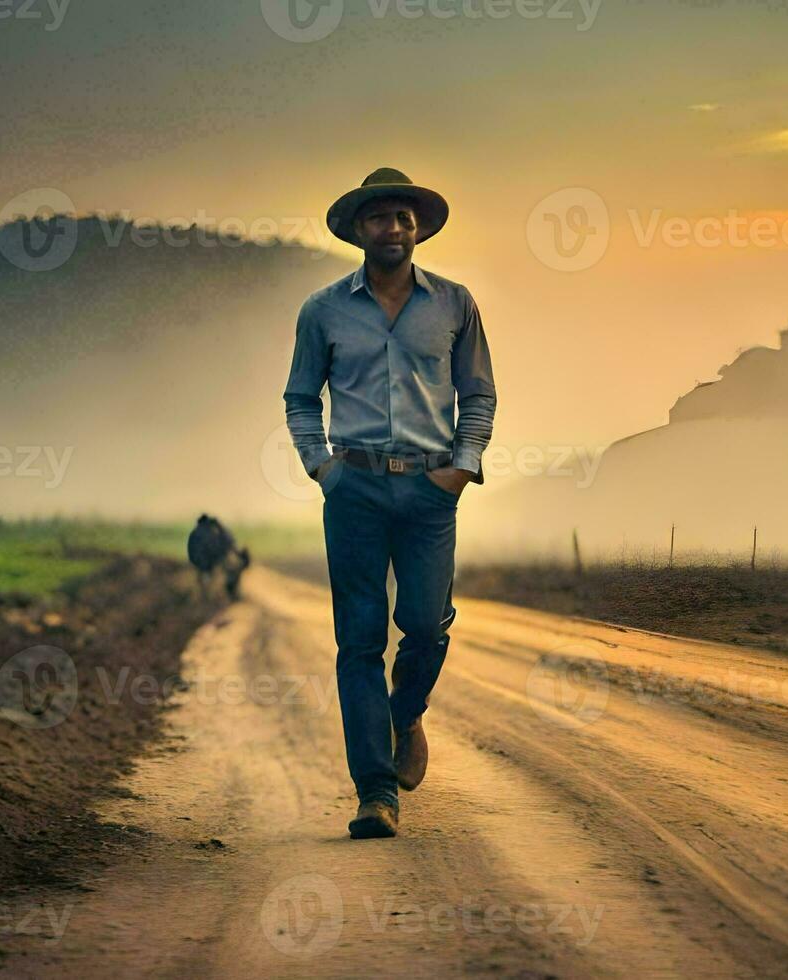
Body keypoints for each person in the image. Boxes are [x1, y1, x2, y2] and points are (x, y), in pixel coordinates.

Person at [283, 168, 496, 839]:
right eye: (380, 219)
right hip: (356, 490)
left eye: (403, 218)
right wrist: (322, 467)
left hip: (431, 490)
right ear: (358, 231)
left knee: (427, 624)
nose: (393, 229)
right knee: (359, 640)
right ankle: (375, 791)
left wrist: (462, 469)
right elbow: (299, 398)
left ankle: (407, 713)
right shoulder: (323, 311)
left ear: (418, 228)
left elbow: (478, 394)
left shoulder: (455, 304)